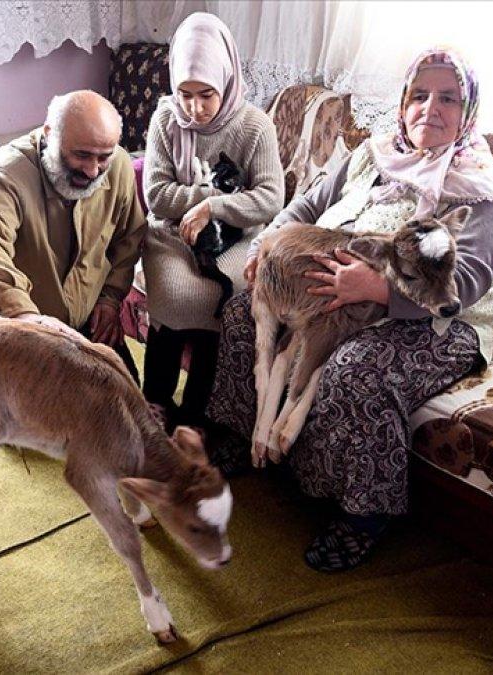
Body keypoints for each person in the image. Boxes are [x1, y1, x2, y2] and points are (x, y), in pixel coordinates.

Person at [206, 48, 493, 573]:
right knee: (242, 312)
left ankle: (364, 514)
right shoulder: (374, 152)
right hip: (341, 295)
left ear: (469, 111)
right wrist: (267, 244)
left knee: (357, 370)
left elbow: (464, 283)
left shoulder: (479, 188)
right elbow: (308, 204)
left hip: (438, 321)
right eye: (419, 95)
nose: (429, 109)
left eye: (448, 99)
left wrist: (376, 289)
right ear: (403, 102)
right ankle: (245, 435)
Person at [141, 12, 284, 431]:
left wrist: (217, 210)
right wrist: (206, 198)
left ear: (226, 79)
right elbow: (156, 194)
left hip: (236, 238)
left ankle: (196, 414)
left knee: (222, 301)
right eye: (184, 94)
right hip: (171, 235)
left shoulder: (255, 127)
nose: (195, 108)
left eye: (206, 94)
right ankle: (156, 400)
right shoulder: (166, 120)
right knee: (175, 295)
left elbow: (272, 199)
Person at [0, 90, 146, 379]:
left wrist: (109, 299)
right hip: (13, 326)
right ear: (49, 135)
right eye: (81, 155)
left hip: (83, 321)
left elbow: (129, 239)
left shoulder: (117, 165)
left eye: (103, 157)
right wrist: (24, 316)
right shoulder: (5, 174)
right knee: (35, 418)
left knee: (124, 405)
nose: (93, 170)